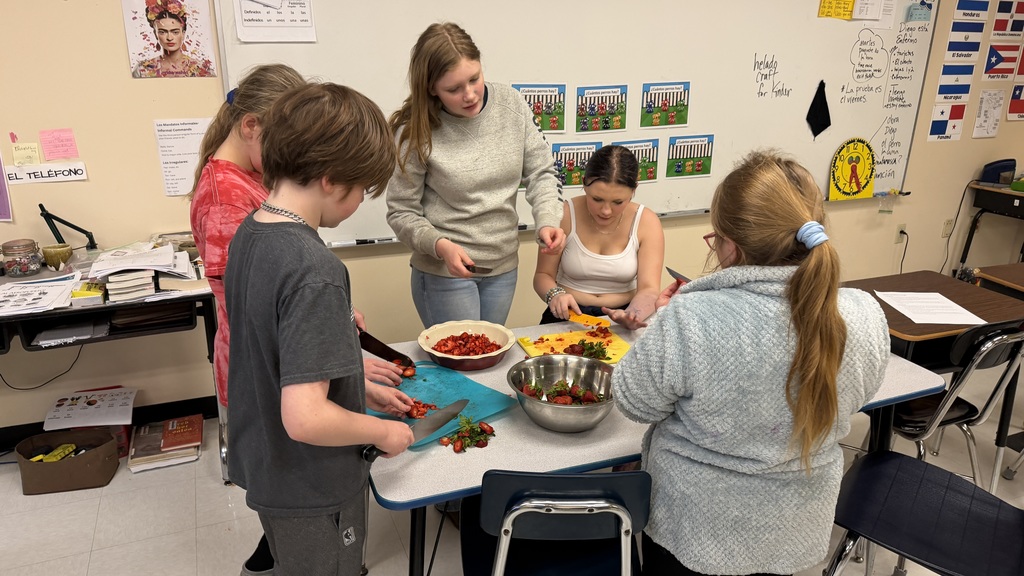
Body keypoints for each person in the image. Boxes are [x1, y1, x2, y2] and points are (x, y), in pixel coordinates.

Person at [611, 150, 890, 576]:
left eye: (714, 237)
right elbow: (859, 392)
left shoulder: (691, 317)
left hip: (695, 533)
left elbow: (635, 402)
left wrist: (669, 325)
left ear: (730, 247)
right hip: (794, 531)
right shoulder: (863, 312)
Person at [189, 64, 404, 576]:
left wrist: (355, 386)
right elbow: (305, 417)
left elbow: (274, 350)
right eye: (361, 192)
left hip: (269, 463)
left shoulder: (251, 230)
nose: (357, 205)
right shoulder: (316, 271)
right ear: (330, 180)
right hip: (312, 483)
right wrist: (381, 432)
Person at [386, 22, 566, 328]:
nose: (469, 94)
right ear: (431, 88)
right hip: (444, 271)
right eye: (453, 89)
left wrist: (548, 220)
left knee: (492, 360)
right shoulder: (415, 132)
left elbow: (542, 171)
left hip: (503, 266)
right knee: (462, 366)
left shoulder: (511, 104)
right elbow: (402, 211)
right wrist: (440, 246)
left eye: (475, 79)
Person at [533, 145, 665, 329]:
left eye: (618, 202)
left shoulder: (646, 221)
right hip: (568, 315)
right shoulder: (563, 214)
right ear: (584, 182)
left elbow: (649, 289)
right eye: (597, 199)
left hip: (623, 316)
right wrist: (555, 295)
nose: (606, 211)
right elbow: (542, 275)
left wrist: (633, 315)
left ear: (634, 190)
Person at [132, 0, 214, 78]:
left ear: (183, 33)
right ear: (155, 34)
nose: (169, 38)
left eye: (175, 32)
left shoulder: (201, 69)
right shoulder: (142, 70)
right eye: (163, 32)